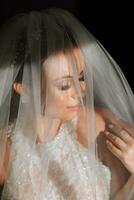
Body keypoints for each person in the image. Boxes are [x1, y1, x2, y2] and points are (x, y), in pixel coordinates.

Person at [0, 8, 134, 200]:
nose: (80, 92)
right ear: (24, 89)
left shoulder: (96, 125)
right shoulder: (6, 149)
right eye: (64, 85)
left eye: (80, 77)